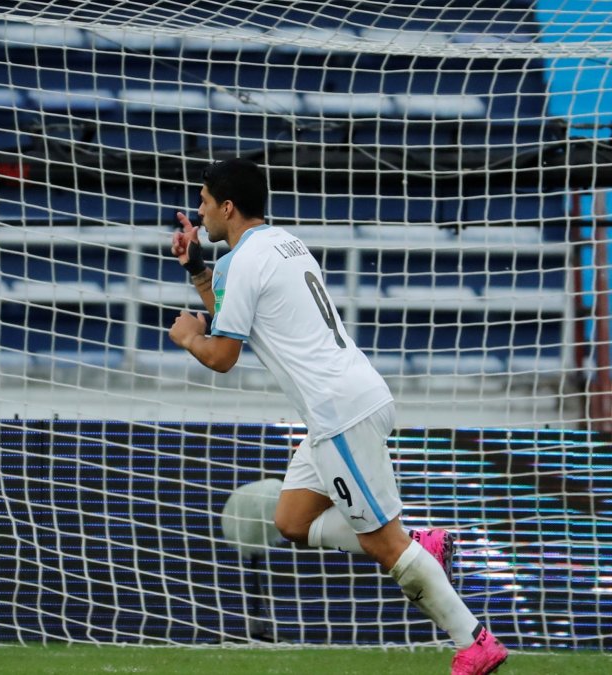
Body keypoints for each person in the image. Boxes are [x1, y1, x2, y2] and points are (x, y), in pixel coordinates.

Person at [167, 158, 508, 675]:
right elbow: (237, 311)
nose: (199, 212)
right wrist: (197, 271)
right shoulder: (284, 243)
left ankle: (474, 641)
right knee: (293, 522)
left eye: (204, 202)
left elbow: (222, 356)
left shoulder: (242, 262)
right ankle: (422, 545)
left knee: (381, 542)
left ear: (228, 206)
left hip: (338, 411)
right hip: (343, 401)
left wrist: (189, 337)